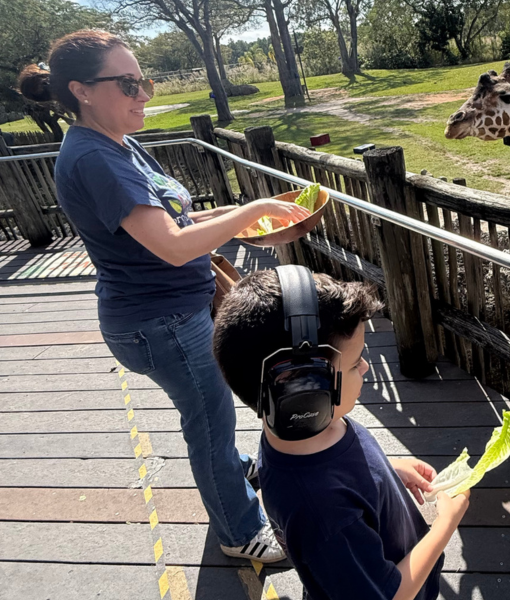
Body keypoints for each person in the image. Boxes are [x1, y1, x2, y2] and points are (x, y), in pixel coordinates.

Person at [17, 30, 308, 562]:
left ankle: (231, 468)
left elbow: (177, 219)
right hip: (160, 323)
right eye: (128, 84)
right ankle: (240, 532)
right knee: (209, 426)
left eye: (143, 80)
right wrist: (251, 207)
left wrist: (254, 224)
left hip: (176, 312)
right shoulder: (94, 159)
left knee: (211, 415)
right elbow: (173, 248)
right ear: (81, 90)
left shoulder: (120, 143)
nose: (143, 94)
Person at [212, 267, 470, 600]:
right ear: (301, 391)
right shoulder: (321, 511)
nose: (364, 367)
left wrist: (385, 470)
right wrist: (444, 525)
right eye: (354, 363)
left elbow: (339, 471)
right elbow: (390, 594)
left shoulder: (303, 427)